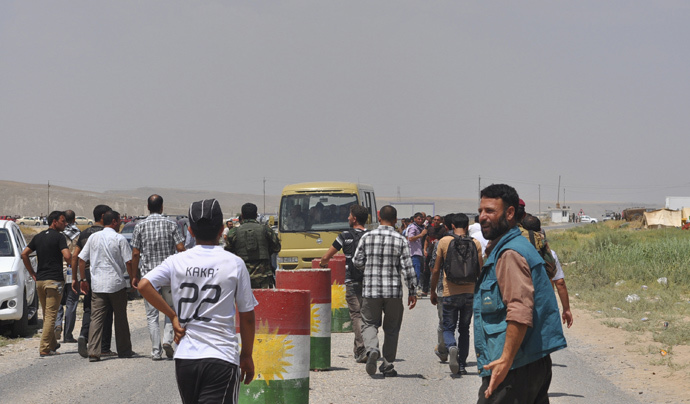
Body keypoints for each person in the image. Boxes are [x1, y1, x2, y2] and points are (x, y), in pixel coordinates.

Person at [138, 199, 257, 404]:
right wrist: (246, 355)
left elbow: (143, 285)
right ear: (221, 229)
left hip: (186, 359)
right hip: (221, 357)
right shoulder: (234, 263)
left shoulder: (177, 261)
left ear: (191, 231)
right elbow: (246, 317)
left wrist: (172, 315)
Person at [474, 184, 566, 403]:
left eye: (490, 211)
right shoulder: (514, 247)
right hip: (528, 361)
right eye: (480, 211)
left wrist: (505, 359)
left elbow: (519, 309)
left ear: (510, 213)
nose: (482, 217)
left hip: (515, 367)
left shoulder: (510, 254)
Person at [353, 205, 417, 377]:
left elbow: (356, 260)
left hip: (371, 291)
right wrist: (412, 290)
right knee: (392, 329)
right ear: (396, 220)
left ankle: (372, 349)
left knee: (369, 323)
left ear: (379, 219)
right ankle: (387, 365)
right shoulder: (400, 239)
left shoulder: (367, 236)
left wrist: (369, 270)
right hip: (393, 292)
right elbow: (408, 268)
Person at [131, 194, 185, 361]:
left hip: (148, 278)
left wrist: (134, 275)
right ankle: (167, 341)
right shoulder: (171, 224)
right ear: (162, 207)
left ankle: (155, 352)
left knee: (152, 314)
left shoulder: (139, 226)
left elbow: (135, 252)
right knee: (170, 310)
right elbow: (181, 248)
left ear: (148, 207)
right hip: (168, 275)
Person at [78, 210, 136, 362]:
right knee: (121, 319)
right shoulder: (119, 238)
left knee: (96, 319)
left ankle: (93, 352)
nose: (121, 224)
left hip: (98, 285)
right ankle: (124, 350)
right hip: (116, 284)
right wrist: (132, 278)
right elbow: (129, 261)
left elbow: (81, 259)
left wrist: (82, 279)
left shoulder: (93, 237)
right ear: (115, 222)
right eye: (120, 221)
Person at [430, 213, 483, 375]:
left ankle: (451, 346)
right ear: (467, 226)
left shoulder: (444, 242)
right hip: (469, 292)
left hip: (449, 292)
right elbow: (480, 270)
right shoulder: (475, 243)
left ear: (452, 226)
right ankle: (461, 364)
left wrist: (432, 291)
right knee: (465, 329)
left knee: (448, 327)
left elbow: (437, 269)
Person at [319, 204, 369, 363]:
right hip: (369, 281)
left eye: (349, 215)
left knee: (356, 314)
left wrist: (322, 264)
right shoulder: (371, 235)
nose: (347, 217)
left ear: (354, 219)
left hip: (352, 280)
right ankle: (362, 348)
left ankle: (362, 348)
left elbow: (327, 256)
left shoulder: (344, 236)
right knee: (367, 315)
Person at [21, 211, 71, 357]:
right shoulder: (59, 237)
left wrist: (32, 273)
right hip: (54, 281)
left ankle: (53, 344)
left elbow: (24, 254)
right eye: (63, 221)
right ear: (54, 222)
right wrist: (74, 266)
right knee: (51, 316)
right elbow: (67, 256)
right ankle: (44, 348)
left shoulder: (38, 237)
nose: (65, 223)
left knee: (46, 313)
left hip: (40, 281)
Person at [71, 205, 115, 358]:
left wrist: (76, 278)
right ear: (103, 216)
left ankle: (84, 334)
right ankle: (104, 347)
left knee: (89, 308)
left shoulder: (84, 233)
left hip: (86, 274)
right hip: (102, 273)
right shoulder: (107, 233)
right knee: (107, 309)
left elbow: (75, 256)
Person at [225, 203, 281, 289]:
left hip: (242, 276)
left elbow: (228, 253)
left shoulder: (233, 232)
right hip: (263, 277)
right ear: (256, 215)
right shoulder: (266, 230)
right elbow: (277, 248)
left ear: (242, 215)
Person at [55, 209, 80, 343]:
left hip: (59, 271)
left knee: (58, 300)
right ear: (74, 219)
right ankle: (68, 335)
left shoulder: (59, 234)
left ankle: (58, 323)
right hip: (73, 271)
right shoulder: (79, 234)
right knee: (72, 302)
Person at [406, 212, 427, 295]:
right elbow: (410, 238)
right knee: (416, 272)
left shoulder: (420, 227)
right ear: (414, 219)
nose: (420, 220)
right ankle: (414, 289)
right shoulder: (413, 228)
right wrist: (421, 235)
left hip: (418, 252)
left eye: (421, 219)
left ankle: (414, 288)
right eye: (418, 219)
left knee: (417, 272)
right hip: (414, 252)